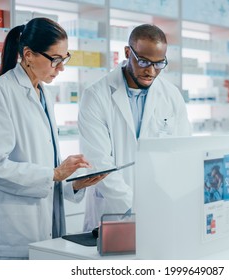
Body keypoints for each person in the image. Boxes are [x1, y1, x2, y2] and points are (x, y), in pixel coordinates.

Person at [0, 18, 106, 259]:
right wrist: (53, 174)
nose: (61, 67)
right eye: (55, 59)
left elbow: (40, 165)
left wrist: (72, 183)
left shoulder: (45, 94)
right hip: (9, 231)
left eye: (64, 58)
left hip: (44, 221)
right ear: (28, 54)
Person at [78, 24, 192, 231]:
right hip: (112, 211)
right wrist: (134, 209)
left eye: (159, 64)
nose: (151, 71)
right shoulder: (95, 95)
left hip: (161, 208)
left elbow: (182, 153)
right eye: (143, 61)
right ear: (128, 52)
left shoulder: (171, 95)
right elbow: (99, 162)